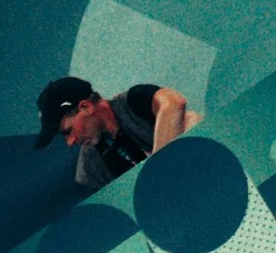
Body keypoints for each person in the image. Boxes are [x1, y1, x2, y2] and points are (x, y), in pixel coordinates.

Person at [34, 74, 200, 191]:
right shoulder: (90, 169)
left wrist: (156, 171)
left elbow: (174, 103)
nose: (70, 142)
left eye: (68, 131)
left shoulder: (134, 100)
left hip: (202, 174)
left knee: (190, 120)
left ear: (86, 107)